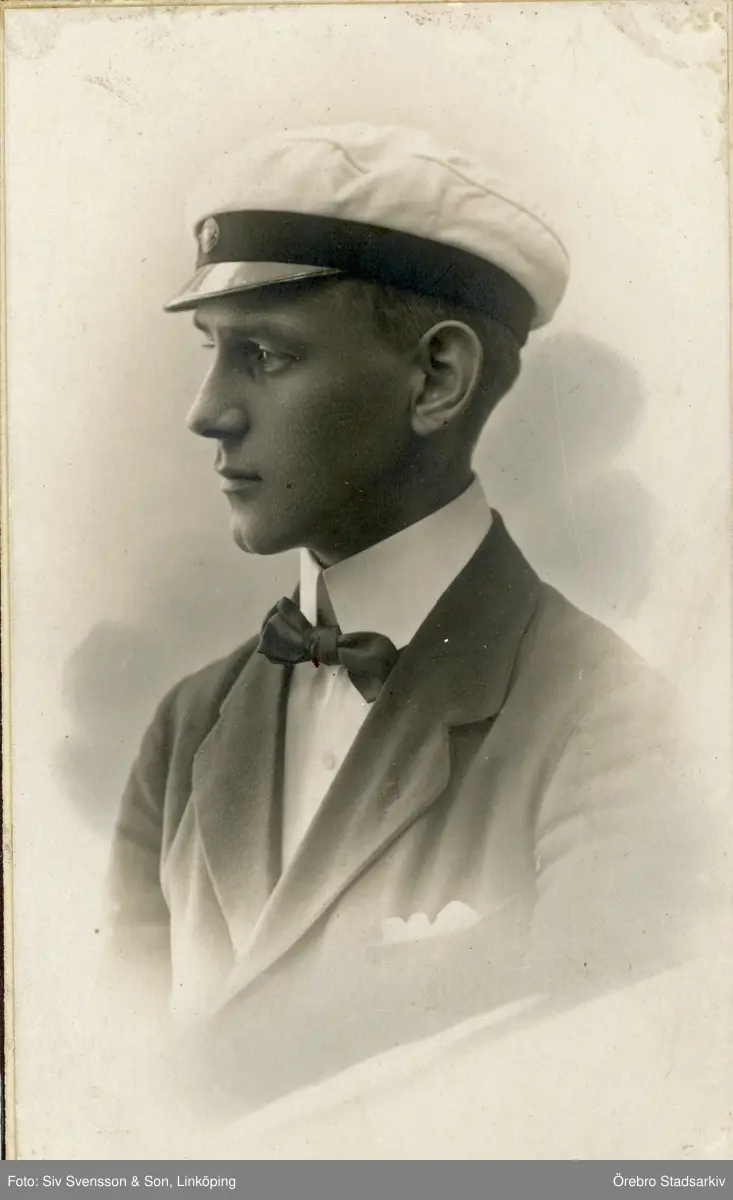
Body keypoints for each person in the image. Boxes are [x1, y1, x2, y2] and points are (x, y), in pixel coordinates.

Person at [107, 124, 716, 1113]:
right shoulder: (185, 730)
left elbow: (611, 1107)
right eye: (211, 350)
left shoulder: (615, 728)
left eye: (263, 354)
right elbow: (110, 1099)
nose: (206, 410)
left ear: (437, 379)